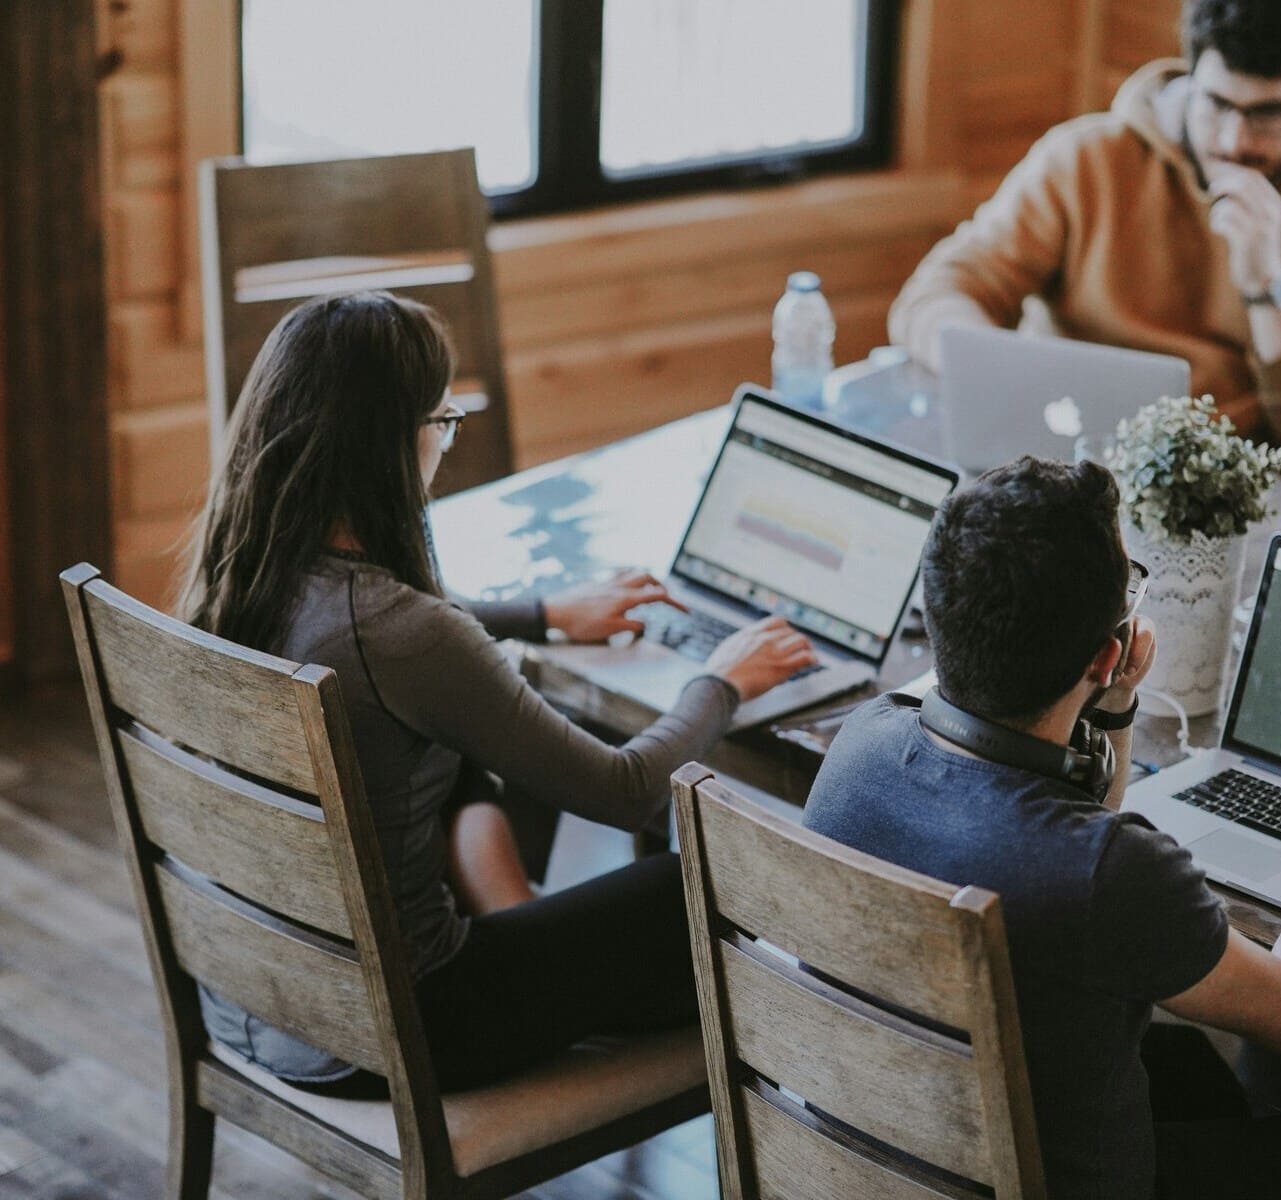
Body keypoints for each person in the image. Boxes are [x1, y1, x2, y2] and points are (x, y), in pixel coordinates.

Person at [180, 289, 817, 1094]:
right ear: (392, 442)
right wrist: (722, 679)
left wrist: (543, 615)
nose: (446, 444)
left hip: (257, 998)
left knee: (459, 752)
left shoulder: (243, 573)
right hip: (405, 1026)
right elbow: (621, 791)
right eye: (442, 423)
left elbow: (397, 639)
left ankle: (526, 929)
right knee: (685, 886)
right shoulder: (402, 633)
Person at [803, 455, 1281, 1200]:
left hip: (879, 1156)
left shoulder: (859, 743)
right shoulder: (1109, 871)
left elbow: (1070, 844)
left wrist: (1110, 709)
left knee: (1194, 1074)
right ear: (1106, 653)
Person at [889, 0, 1281, 545]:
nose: (1235, 139)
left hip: (1252, 506)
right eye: (1216, 103)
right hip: (1074, 480)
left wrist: (1269, 286)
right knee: (899, 439)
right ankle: (1227, 588)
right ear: (1190, 73)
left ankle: (1234, 584)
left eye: (1267, 115)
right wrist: (1002, 376)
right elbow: (935, 296)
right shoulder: (1084, 159)